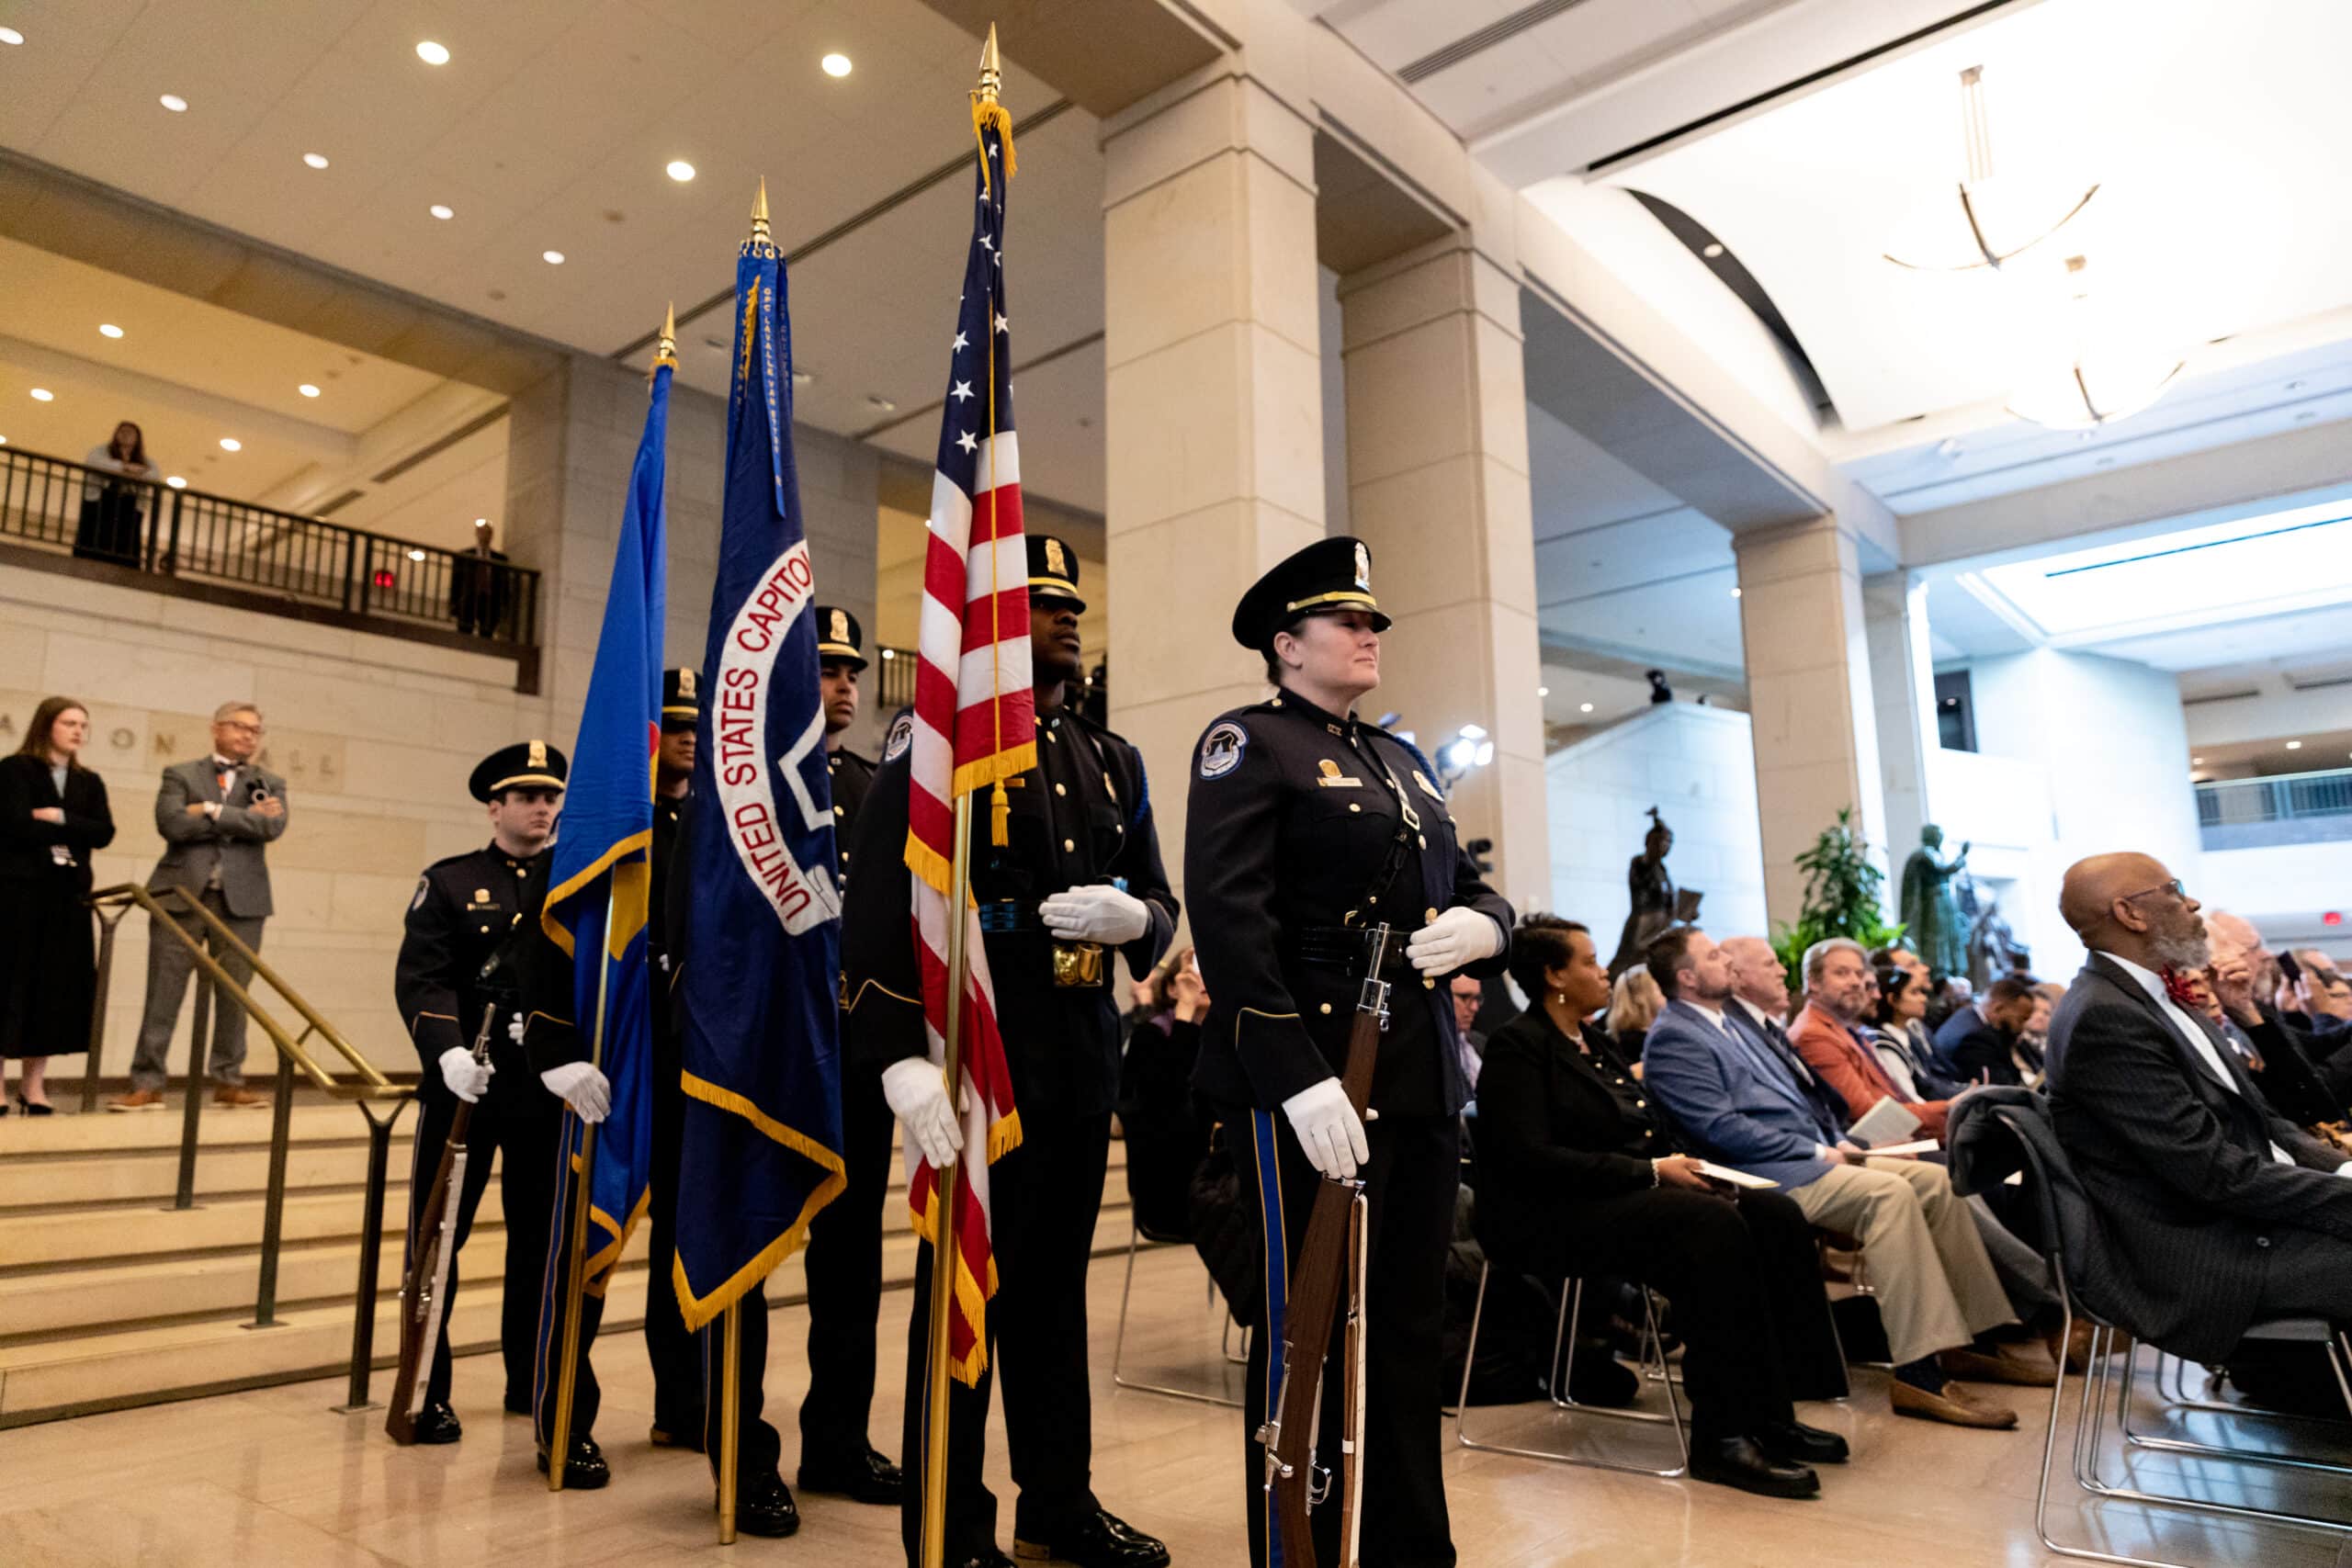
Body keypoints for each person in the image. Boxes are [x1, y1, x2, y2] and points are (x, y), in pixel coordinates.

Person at [842, 534, 1177, 1568]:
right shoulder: (940, 740)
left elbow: (1159, 898)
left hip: (1078, 1058)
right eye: (1040, 600)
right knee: (966, 1290)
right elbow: (879, 904)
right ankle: (949, 1525)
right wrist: (895, 1052)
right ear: (991, 614)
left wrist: (1138, 921)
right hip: (978, 1062)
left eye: (1071, 602)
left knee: (1055, 1295)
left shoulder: (1112, 757)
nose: (1067, 614)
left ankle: (1057, 1505)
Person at [1182, 535, 1513, 1568]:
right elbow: (1230, 924)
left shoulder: (1403, 761)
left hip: (1414, 1070)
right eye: (1347, 621)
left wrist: (1490, 926)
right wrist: (1295, 1080)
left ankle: (1410, 1545)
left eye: (1373, 620)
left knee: (1410, 1322)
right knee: (1308, 1323)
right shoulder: (1249, 743)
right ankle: (1302, 1547)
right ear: (1287, 644)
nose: (1370, 634)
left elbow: (1468, 885)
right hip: (1312, 1074)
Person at [1476, 915, 1849, 1498]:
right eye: (1589, 961)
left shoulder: (1595, 1043)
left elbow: (1647, 1131)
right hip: (1547, 1216)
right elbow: (1530, 1158)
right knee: (1708, 1226)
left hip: (1621, 1198)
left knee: (1771, 1212)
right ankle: (1722, 1436)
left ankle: (1771, 1412)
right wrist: (1652, 1173)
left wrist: (1698, 1171)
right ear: (1554, 976)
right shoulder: (1517, 1047)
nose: (1605, 971)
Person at [1641, 926, 2024, 1428]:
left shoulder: (1728, 1023)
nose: (1727, 963)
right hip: (1759, 1173)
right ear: (1688, 978)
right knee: (1888, 1195)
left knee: (1935, 1183)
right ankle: (1918, 1373)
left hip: (1803, 1155)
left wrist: (1835, 1143)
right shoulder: (1675, 1036)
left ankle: (1970, 1340)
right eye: (1714, 956)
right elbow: (1719, 1128)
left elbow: (1795, 1104)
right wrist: (1818, 1149)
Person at [2045, 854, 2352, 1363]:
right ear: (2129, 913)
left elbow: (2265, 1123)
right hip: (2203, 1253)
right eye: (2173, 889)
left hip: (2239, 1219)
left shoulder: (2156, 996)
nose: (2192, 903)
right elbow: (2212, 1173)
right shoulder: (2105, 1017)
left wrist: (2341, 1169)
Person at [387, 740, 570, 1450]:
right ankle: (426, 1390)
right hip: (464, 1087)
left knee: (540, 1240)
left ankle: (531, 1378)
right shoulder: (451, 880)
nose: (541, 807)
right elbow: (421, 976)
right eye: (526, 796)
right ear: (495, 807)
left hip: (542, 1089)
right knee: (439, 1239)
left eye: (550, 796)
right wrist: (448, 1050)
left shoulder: (572, 880)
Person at [795, 607, 904, 1508]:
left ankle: (837, 1440)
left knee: (850, 1261)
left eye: (851, 671)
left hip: (853, 1052)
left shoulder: (872, 786)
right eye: (826, 668)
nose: (844, 685)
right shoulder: (747, 787)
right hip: (770, 1053)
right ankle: (727, 1434)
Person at [109, 702, 288, 1111]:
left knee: (235, 994)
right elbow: (171, 823)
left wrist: (208, 809)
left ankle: (228, 1080)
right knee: (163, 992)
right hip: (179, 896)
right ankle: (147, 1082)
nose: (248, 735)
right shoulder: (181, 773)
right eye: (239, 726)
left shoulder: (269, 782)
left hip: (243, 903)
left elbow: (272, 826)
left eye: (255, 730)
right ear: (216, 728)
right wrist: (240, 817)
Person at [638, 670, 706, 1454]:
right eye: (674, 725)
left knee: (694, 1229)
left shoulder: (715, 822)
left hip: (703, 1055)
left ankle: (695, 1396)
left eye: (695, 725)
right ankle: (676, 1399)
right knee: (660, 1233)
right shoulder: (630, 828)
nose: (687, 736)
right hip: (642, 1055)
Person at [0, 697, 115, 1113]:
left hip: (67, 897)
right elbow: (13, 824)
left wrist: (57, 817)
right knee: (10, 985)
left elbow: (103, 832)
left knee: (52, 989)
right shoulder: (15, 770)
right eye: (69, 723)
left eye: (83, 724)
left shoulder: (89, 781)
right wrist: (67, 828)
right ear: (47, 725)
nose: (78, 731)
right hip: (18, 894)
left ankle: (33, 1086)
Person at [1789, 938, 1955, 1142]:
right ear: (1813, 982)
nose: (1855, 982)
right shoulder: (1814, 1035)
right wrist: (1947, 1108)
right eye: (1842, 973)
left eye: (1859, 974)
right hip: (1876, 1144)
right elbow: (1866, 1113)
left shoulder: (1846, 1027)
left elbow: (1888, 1099)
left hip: (1899, 1136)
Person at [1871, 964, 1962, 1103]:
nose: (1923, 999)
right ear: (1892, 999)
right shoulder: (1885, 1045)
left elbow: (1932, 1081)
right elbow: (1911, 1099)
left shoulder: (1910, 1034)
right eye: (1914, 993)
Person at [1931, 976, 2038, 1087]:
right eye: (2021, 1020)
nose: (2022, 1028)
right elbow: (2000, 1086)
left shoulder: (1967, 1017)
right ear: (1998, 1008)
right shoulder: (1975, 1037)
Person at [75, 421, 156, 565]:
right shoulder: (102, 451)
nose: (126, 435)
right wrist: (125, 467)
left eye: (130, 433)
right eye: (122, 431)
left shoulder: (144, 460)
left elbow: (155, 476)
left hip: (129, 507)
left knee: (126, 538)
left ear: (137, 439)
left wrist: (136, 471)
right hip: (101, 503)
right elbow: (93, 461)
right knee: (96, 533)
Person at [449, 518, 511, 637]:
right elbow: (456, 580)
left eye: (488, 533)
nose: (485, 536)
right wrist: (454, 602)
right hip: (469, 597)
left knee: (486, 633)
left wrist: (504, 605)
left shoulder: (500, 559)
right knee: (464, 632)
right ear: (477, 534)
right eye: (482, 532)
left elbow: (504, 584)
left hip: (490, 600)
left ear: (491, 535)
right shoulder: (465, 555)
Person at [1607, 966, 1664, 1063]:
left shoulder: (1623, 1037)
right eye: (1659, 988)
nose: (1666, 993)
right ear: (1640, 998)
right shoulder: (1644, 1043)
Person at [1450, 972, 1487, 1089]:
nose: (1474, 1007)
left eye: (1477, 998)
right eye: (1464, 997)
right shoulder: (1428, 1050)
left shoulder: (1482, 1042)